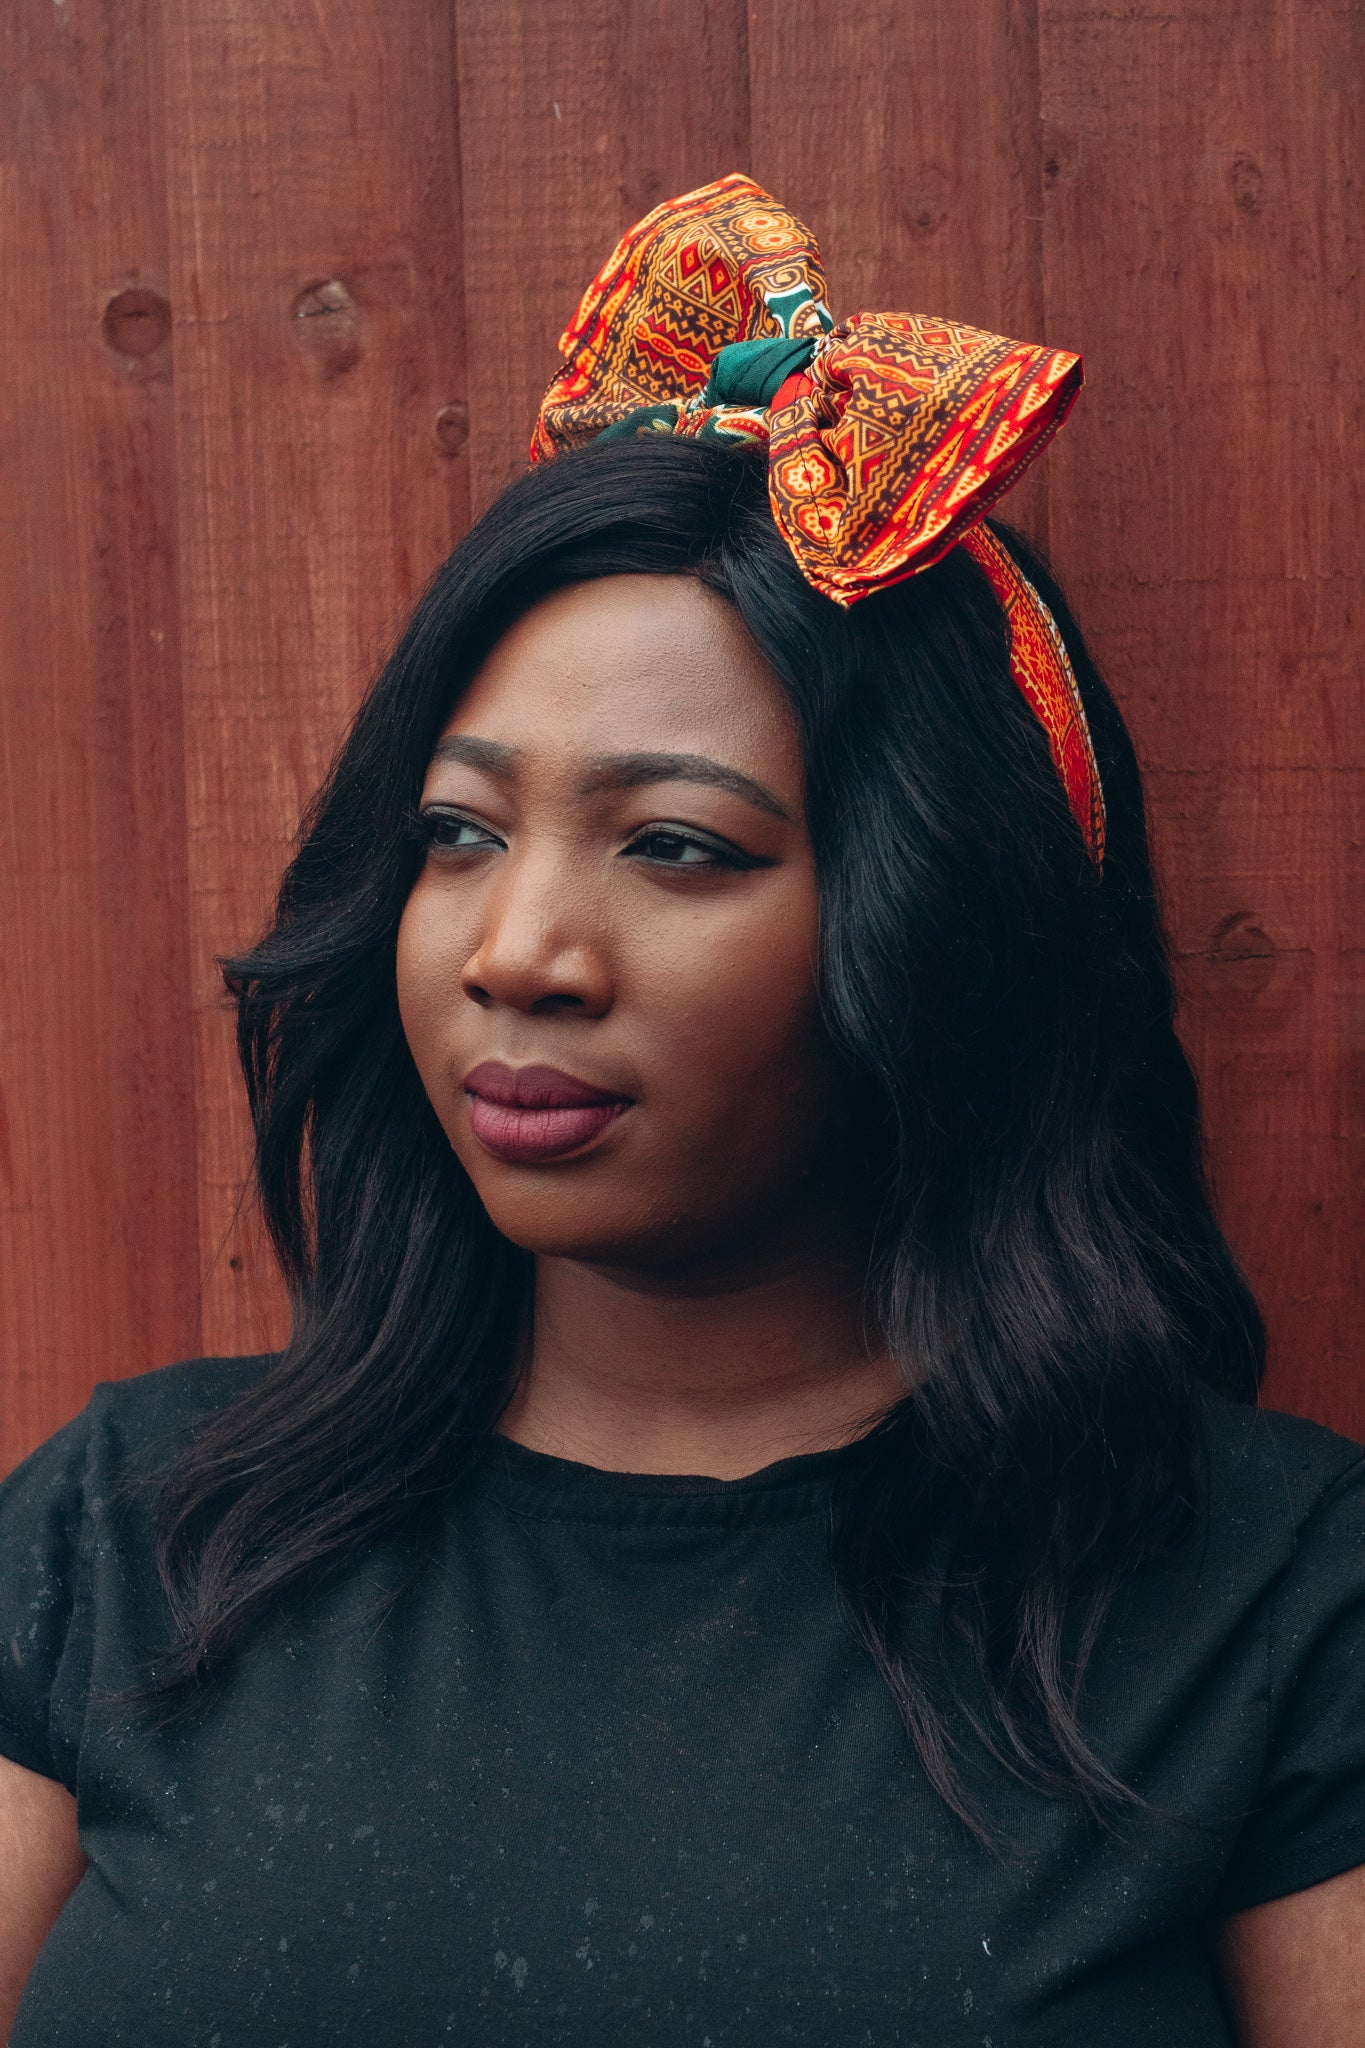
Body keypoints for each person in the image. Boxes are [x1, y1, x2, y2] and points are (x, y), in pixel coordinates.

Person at [1, 175, 1361, 2048]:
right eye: (459, 835)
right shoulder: (128, 1529)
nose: (522, 950)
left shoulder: (1268, 1598)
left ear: (933, 928)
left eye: (676, 848)